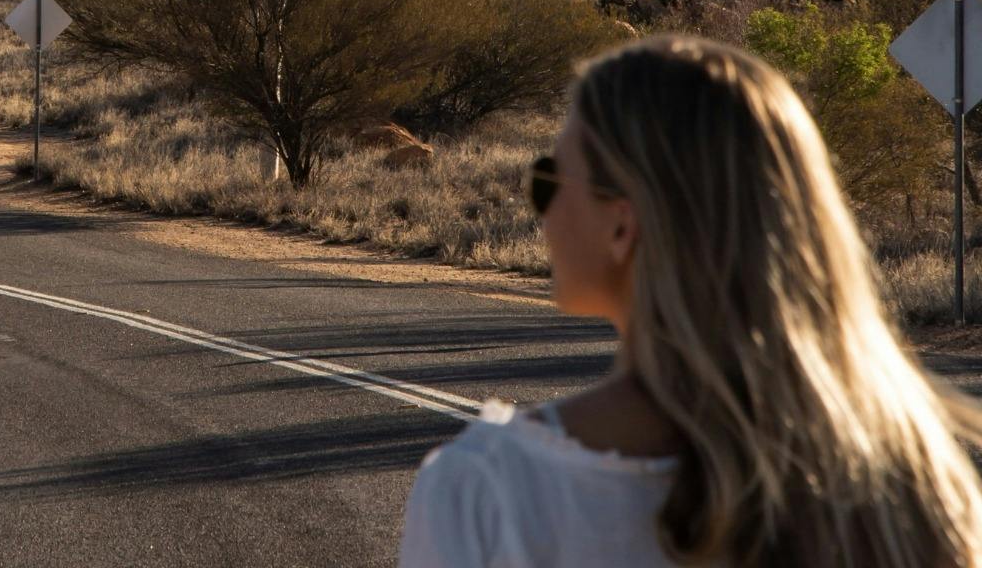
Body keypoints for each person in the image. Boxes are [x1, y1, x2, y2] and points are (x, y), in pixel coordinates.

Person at [399, 35, 982, 568]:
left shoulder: (489, 492)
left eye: (550, 181)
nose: (542, 211)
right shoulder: (920, 482)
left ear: (622, 226)